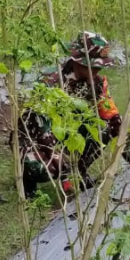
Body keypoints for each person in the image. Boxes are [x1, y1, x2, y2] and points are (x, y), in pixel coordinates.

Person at [17, 32, 123, 198]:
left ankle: (79, 172)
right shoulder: (50, 82)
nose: (97, 69)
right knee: (41, 168)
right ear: (78, 61)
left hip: (67, 133)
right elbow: (39, 129)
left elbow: (115, 121)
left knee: (104, 129)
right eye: (93, 65)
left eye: (99, 66)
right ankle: (27, 182)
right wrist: (65, 174)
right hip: (36, 138)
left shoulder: (97, 83)